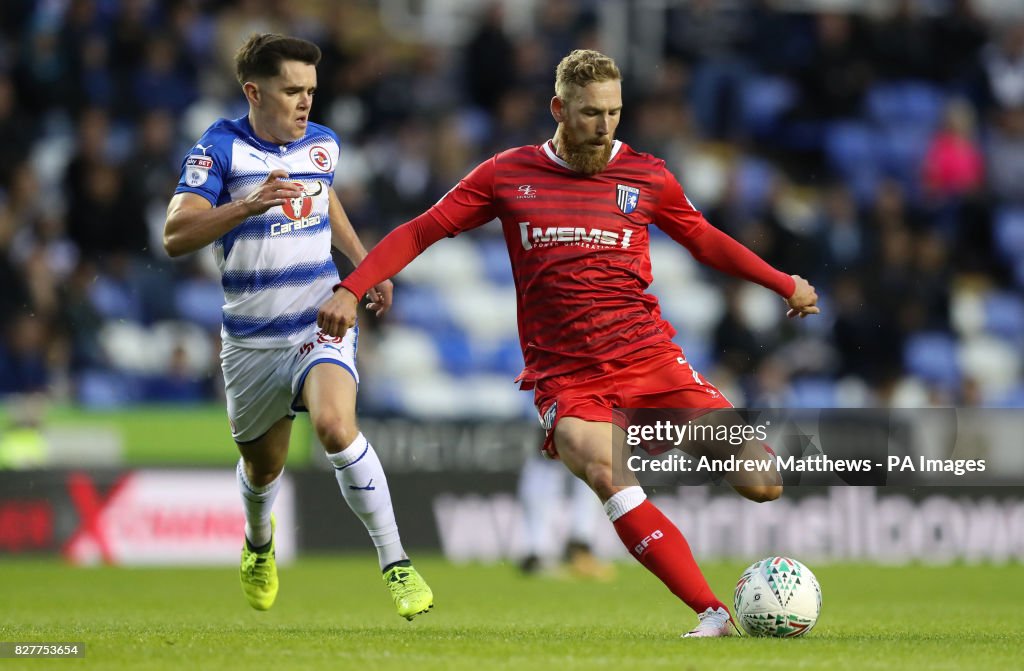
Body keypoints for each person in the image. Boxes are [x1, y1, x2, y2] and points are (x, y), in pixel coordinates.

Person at [322, 49, 819, 637]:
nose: (604, 126)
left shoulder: (648, 176)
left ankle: (684, 466)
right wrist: (352, 287)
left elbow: (706, 241)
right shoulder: (508, 174)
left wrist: (783, 282)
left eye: (613, 112)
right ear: (558, 108)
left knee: (764, 484)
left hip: (652, 360)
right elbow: (421, 229)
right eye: (590, 113)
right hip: (570, 381)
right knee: (607, 474)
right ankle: (712, 612)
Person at [162, 33, 433, 619]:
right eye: (292, 90)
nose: (306, 102)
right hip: (251, 340)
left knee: (337, 427)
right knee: (265, 468)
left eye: (311, 90)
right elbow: (175, 236)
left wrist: (364, 265)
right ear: (254, 92)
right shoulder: (219, 151)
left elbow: (324, 196)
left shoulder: (322, 144)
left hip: (318, 317)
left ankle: (397, 562)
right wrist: (245, 206)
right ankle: (259, 543)